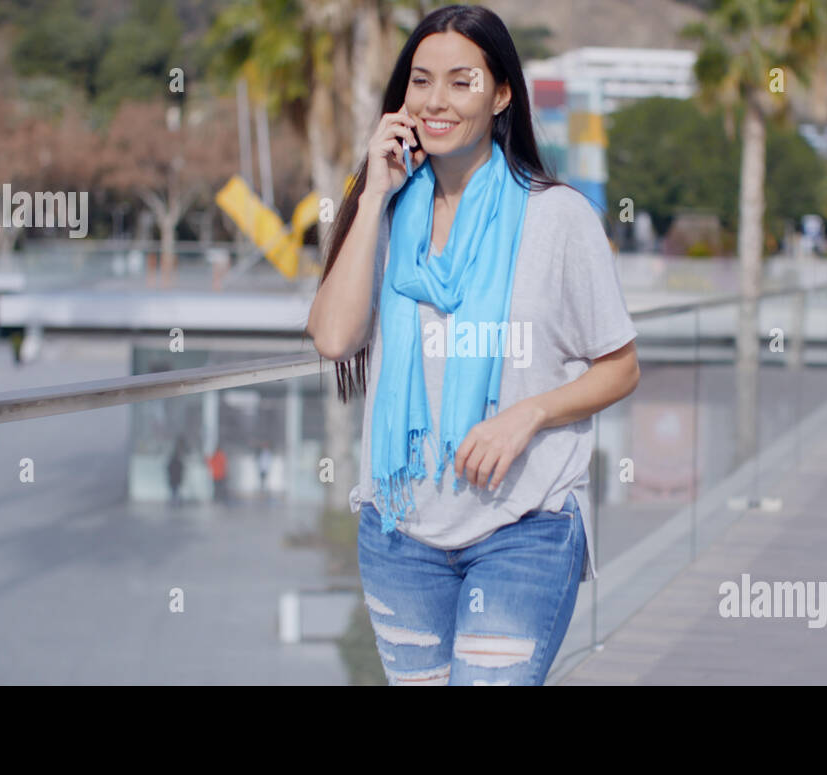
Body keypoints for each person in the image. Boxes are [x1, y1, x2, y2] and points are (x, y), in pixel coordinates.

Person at [305, 5, 640, 686]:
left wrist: (529, 413)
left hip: (525, 525)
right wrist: (371, 196)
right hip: (401, 533)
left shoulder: (559, 217)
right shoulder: (388, 215)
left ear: (502, 94)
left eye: (462, 82)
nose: (436, 100)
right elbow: (335, 337)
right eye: (421, 81)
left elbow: (621, 366)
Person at [167, 438, 185, 507]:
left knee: (174, 491)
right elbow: (181, 469)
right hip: (176, 478)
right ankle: (176, 501)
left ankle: (174, 501)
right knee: (176, 490)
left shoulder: (172, 462)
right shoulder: (178, 462)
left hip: (173, 478)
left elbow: (168, 468)